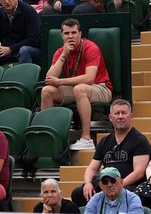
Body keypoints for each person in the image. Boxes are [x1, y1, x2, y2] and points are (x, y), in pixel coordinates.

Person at [40, 18, 114, 151]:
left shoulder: (91, 47)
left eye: (74, 33)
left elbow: (89, 78)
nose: (70, 36)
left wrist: (60, 82)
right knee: (47, 91)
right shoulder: (61, 51)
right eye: (67, 33)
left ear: (80, 34)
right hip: (76, 89)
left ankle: (86, 139)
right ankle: (49, 139)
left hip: (101, 88)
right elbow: (50, 77)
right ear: (62, 35)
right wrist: (64, 55)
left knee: (80, 89)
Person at [70, 99, 151, 206]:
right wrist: (88, 183)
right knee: (79, 193)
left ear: (131, 116)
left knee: (129, 194)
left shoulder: (139, 140)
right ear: (110, 117)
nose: (120, 116)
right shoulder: (105, 141)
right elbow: (92, 168)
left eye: (124, 113)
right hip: (107, 183)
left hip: (129, 185)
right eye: (117, 113)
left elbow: (139, 172)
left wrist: (118, 186)